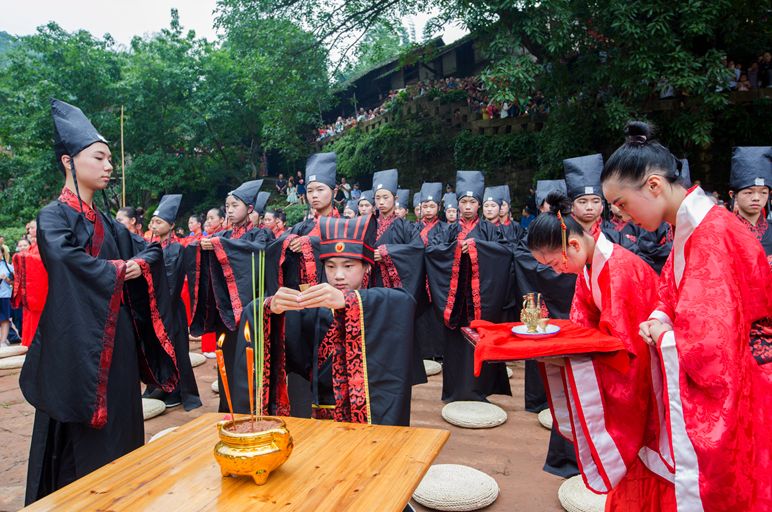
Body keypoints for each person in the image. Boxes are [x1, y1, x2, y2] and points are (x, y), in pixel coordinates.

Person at [602, 121, 772, 511]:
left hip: (744, 383)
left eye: (622, 204)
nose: (621, 216)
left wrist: (661, 332)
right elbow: (673, 292)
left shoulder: (710, 234)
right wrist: (661, 313)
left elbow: (711, 342)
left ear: (654, 186)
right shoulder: (693, 226)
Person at [22, 99, 178, 504]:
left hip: (117, 339)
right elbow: (64, 259)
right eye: (99, 157)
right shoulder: (53, 217)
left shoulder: (109, 223)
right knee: (79, 439)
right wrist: (115, 270)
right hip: (75, 342)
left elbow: (151, 252)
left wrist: (136, 267)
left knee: (123, 426)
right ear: (68, 162)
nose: (109, 166)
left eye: (110, 158)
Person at [528, 192, 674, 511]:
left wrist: (568, 355)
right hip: (634, 367)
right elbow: (583, 325)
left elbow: (626, 350)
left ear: (575, 246)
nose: (555, 271)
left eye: (554, 262)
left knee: (648, 471)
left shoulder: (620, 271)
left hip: (648, 381)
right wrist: (561, 350)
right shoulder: (592, 264)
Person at [233, 214, 416, 425]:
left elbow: (405, 302)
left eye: (348, 267)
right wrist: (270, 309)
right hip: (320, 416)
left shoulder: (381, 305)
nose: (338, 275)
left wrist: (350, 302)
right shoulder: (316, 305)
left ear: (367, 267)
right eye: (331, 267)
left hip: (370, 419)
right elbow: (284, 342)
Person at [187, 179, 274, 413]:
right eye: (227, 205)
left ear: (250, 208)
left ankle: (250, 410)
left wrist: (218, 245)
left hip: (248, 310)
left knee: (247, 362)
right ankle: (228, 409)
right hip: (224, 310)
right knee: (225, 358)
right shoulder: (224, 234)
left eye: (235, 205)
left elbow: (258, 255)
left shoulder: (260, 235)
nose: (230, 210)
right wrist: (205, 247)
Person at [425, 170, 512, 402]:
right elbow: (432, 252)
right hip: (454, 301)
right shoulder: (447, 230)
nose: (467, 206)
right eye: (463, 201)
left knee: (479, 339)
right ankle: (455, 391)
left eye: (472, 201)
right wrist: (456, 250)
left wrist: (476, 247)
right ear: (457, 203)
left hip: (479, 298)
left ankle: (479, 391)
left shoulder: (491, 230)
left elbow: (505, 253)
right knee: (455, 344)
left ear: (480, 204)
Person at [144, 195, 201, 410]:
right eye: (153, 222)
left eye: (159, 222)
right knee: (157, 348)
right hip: (155, 306)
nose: (154, 225)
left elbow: (173, 282)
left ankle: (179, 391)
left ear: (172, 225)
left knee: (177, 350)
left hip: (172, 307)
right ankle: (160, 387)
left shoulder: (178, 249)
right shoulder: (151, 246)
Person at [371, 171, 426, 385]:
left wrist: (387, 253)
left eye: (386, 197)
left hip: (394, 288)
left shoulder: (405, 226)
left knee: (396, 330)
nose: (382, 202)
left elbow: (416, 250)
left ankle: (399, 374)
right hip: (370, 284)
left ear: (395, 199)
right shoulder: (367, 225)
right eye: (378, 198)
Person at [728, 146, 771, 256]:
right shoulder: (724, 231)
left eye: (763, 192)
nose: (756, 198)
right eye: (749, 192)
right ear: (733, 195)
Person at [0, 253, 14, 346]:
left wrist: (6, 279)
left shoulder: (8, 267)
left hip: (5, 295)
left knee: (4, 319)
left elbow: (14, 282)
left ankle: (3, 341)